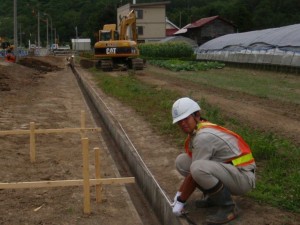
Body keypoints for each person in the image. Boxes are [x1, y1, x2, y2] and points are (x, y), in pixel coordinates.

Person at [171, 97, 256, 224]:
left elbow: (194, 174)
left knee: (197, 168)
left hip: (243, 178)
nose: (182, 124)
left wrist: (180, 200)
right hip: (232, 172)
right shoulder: (198, 130)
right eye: (179, 121)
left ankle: (229, 208)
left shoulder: (203, 137)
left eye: (186, 119)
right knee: (182, 162)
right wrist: (178, 197)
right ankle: (215, 198)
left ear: (197, 115)